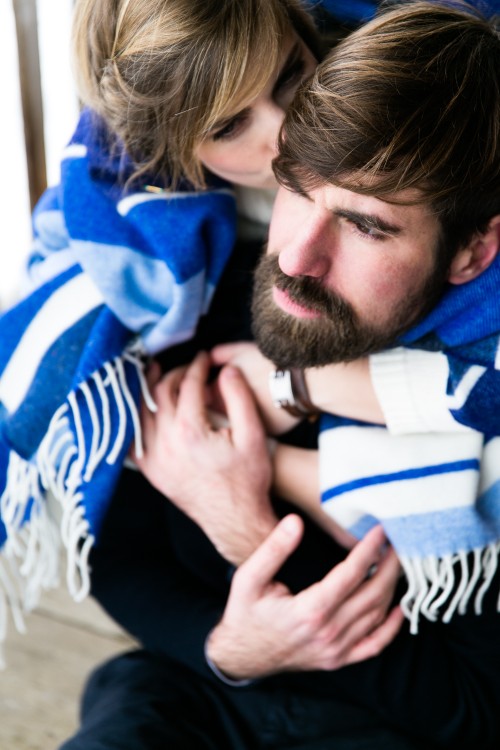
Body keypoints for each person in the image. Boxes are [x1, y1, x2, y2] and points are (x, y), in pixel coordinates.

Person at [62, 2, 500, 749]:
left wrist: (254, 525)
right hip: (193, 688)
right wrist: (226, 648)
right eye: (299, 182)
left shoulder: (466, 353)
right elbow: (117, 543)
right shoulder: (178, 284)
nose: (298, 256)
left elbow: (474, 705)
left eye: (367, 223)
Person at [0, 0, 321, 623]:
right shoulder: (140, 271)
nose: (286, 131)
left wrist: (304, 388)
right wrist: (223, 648)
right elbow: (116, 552)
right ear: (173, 149)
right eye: (229, 125)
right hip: (219, 620)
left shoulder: (415, 136)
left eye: (290, 75)